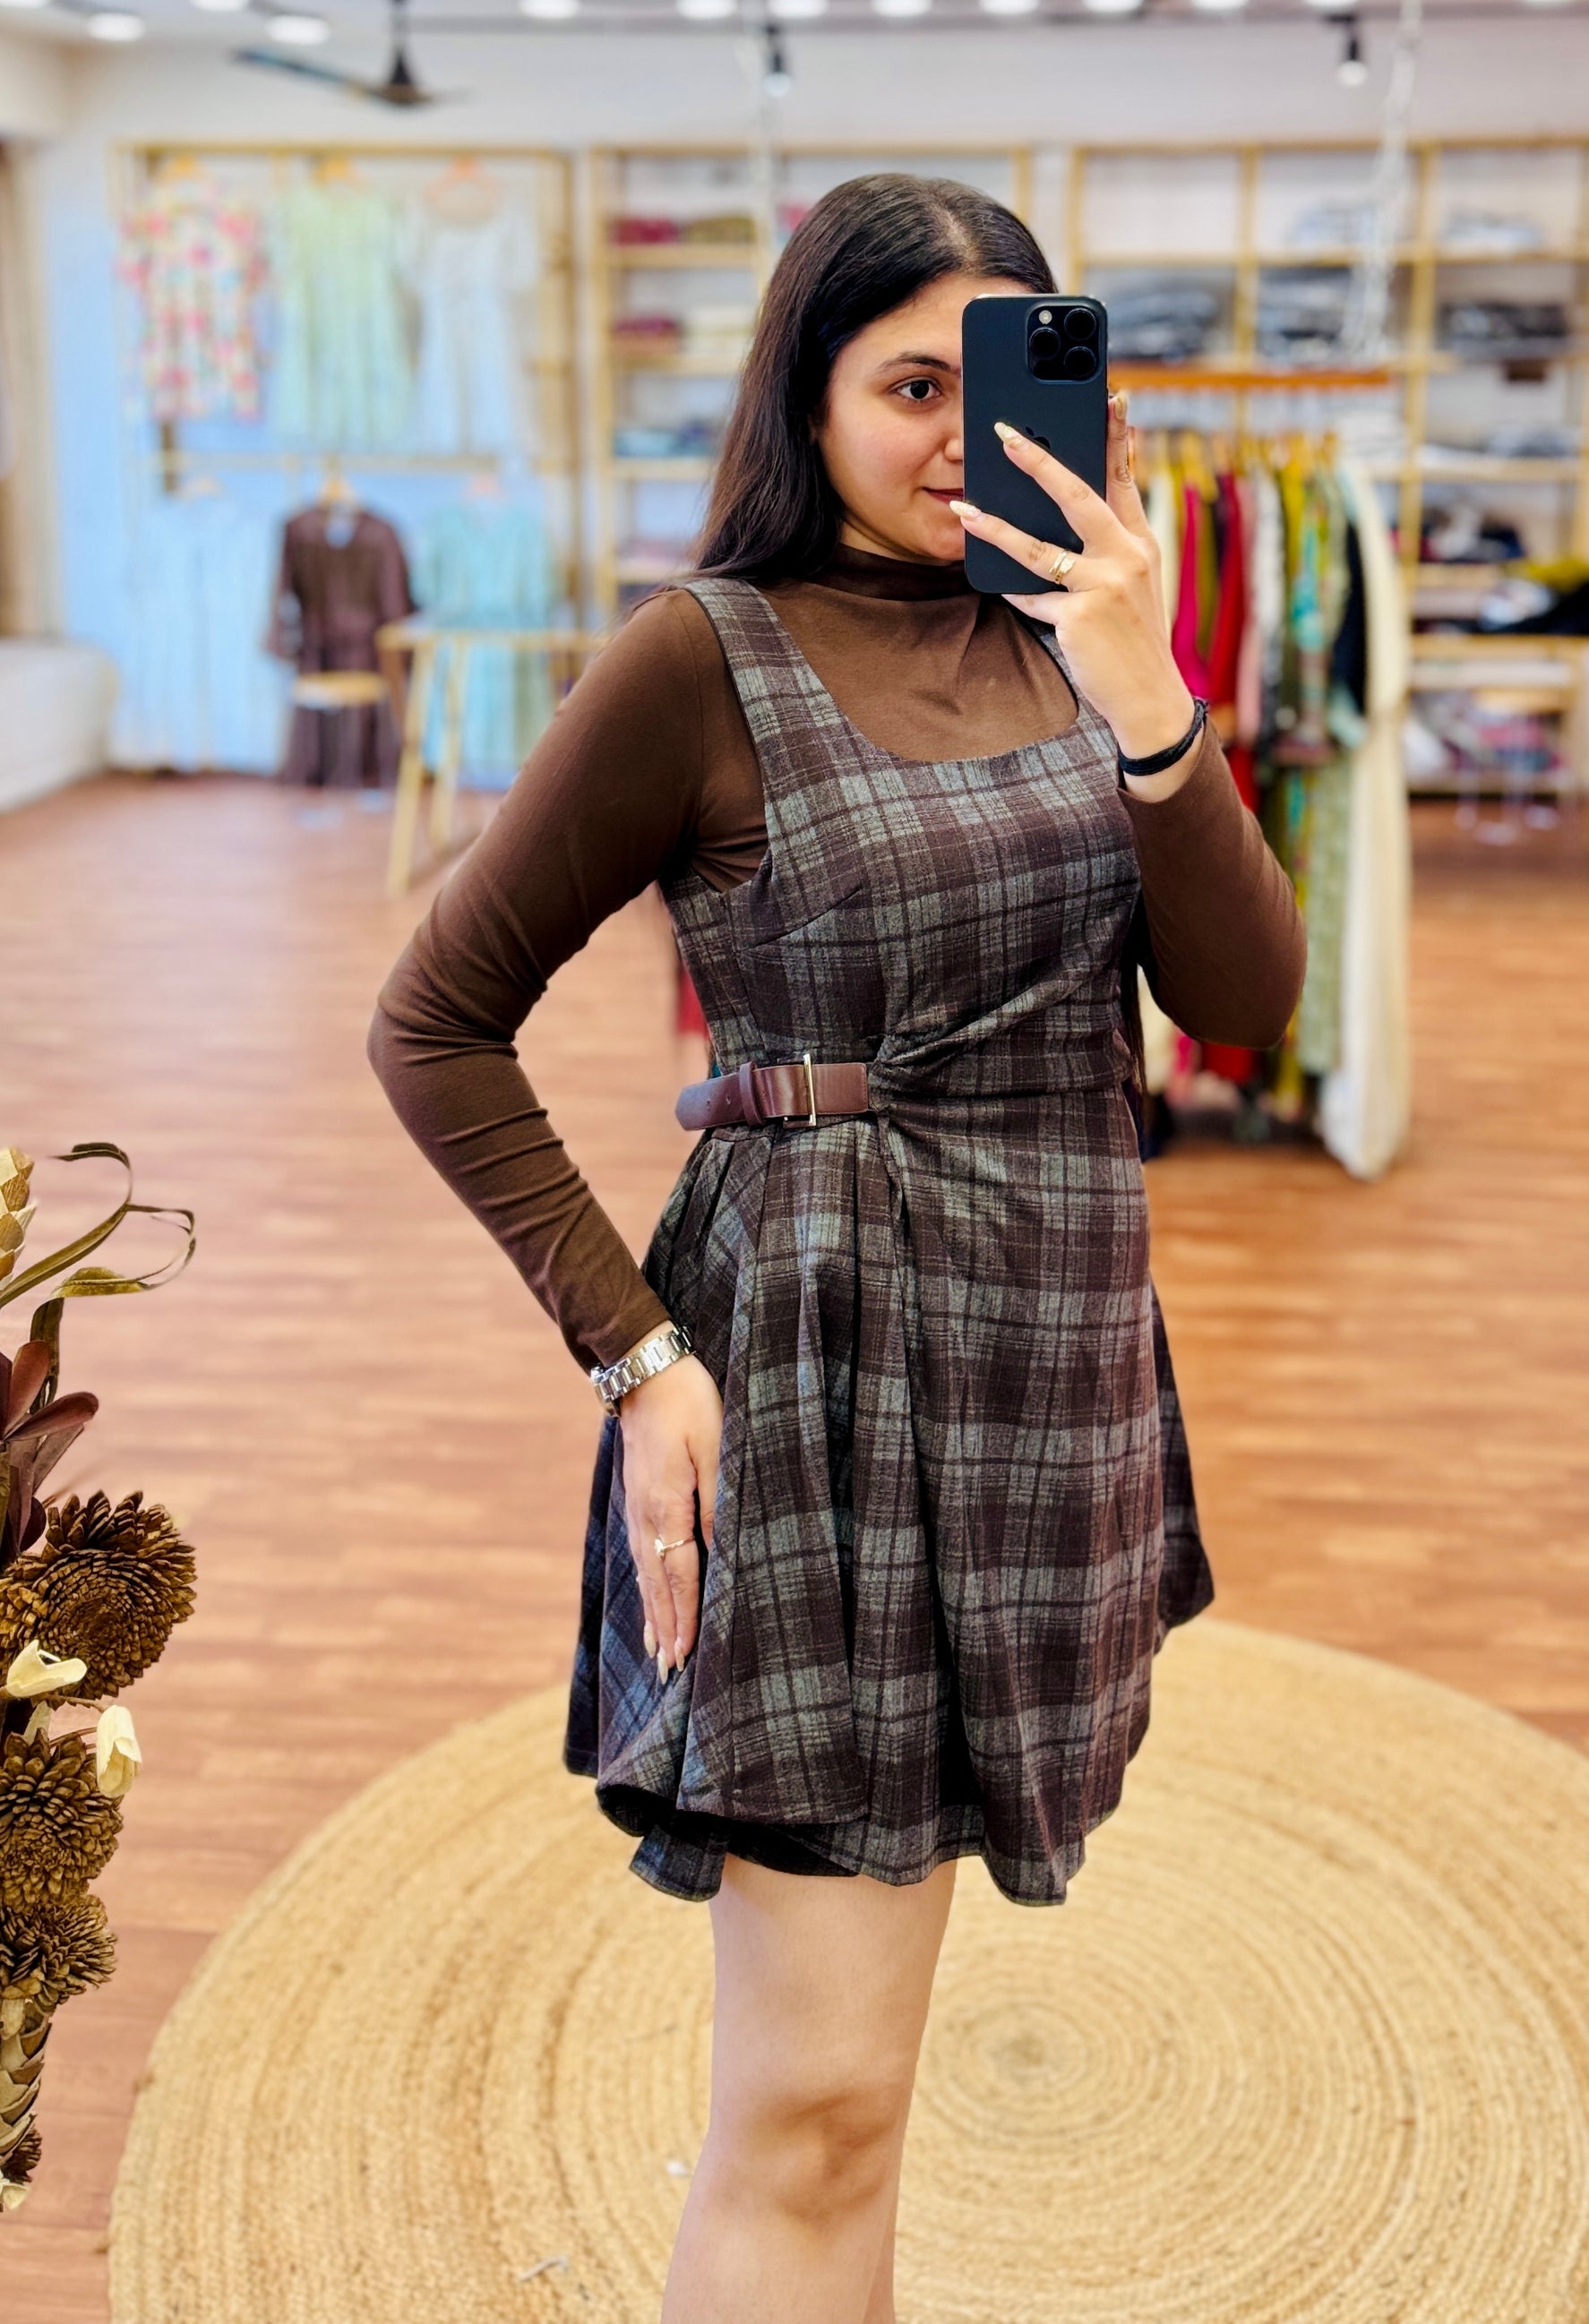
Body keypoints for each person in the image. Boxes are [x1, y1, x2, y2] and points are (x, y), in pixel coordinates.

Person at [368, 174, 1305, 2324]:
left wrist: (1147, 684)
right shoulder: (701, 656)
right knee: (808, 2103)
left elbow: (1246, 995)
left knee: (861, 2097)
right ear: (806, 394)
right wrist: (634, 1353)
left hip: (1050, 1371)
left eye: (997, 378)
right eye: (907, 385)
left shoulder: (1079, 637)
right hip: (813, 1383)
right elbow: (433, 1018)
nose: (960, 434)